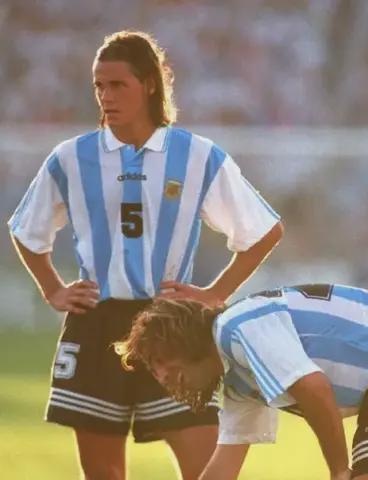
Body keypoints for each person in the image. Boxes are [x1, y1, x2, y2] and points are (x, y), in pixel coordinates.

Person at [8, 30, 283, 480]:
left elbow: (264, 230)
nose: (106, 96)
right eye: (99, 85)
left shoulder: (197, 156)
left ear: (150, 85)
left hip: (171, 322)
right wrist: (52, 289)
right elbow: (25, 229)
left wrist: (215, 293)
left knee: (206, 470)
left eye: (118, 85)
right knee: (104, 473)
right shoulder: (71, 157)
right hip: (96, 322)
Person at [115, 283, 368, 480]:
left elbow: (313, 387)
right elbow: (225, 464)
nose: (161, 376)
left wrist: (338, 470)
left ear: (181, 339)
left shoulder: (236, 329)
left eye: (160, 361)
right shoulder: (236, 374)